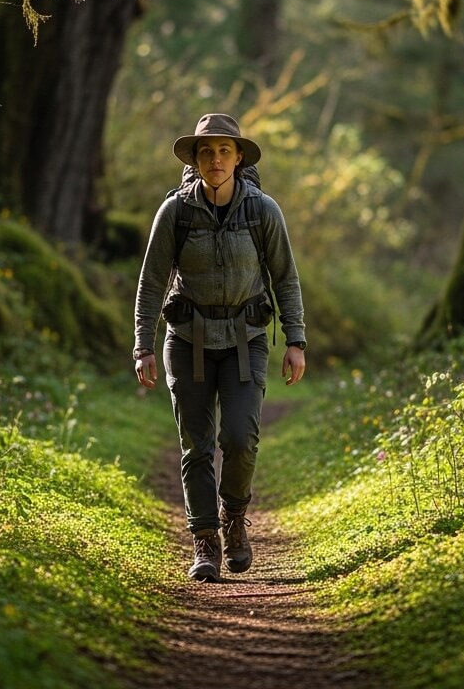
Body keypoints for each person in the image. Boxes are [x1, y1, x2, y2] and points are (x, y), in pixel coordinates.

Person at [133, 113, 307, 582]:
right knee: (196, 445)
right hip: (186, 339)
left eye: (224, 150)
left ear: (238, 157)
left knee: (239, 437)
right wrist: (142, 346)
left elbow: (285, 278)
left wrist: (296, 340)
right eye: (206, 151)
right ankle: (205, 541)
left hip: (245, 341)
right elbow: (151, 282)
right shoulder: (175, 212)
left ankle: (234, 519)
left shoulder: (263, 211)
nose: (215, 159)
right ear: (194, 158)